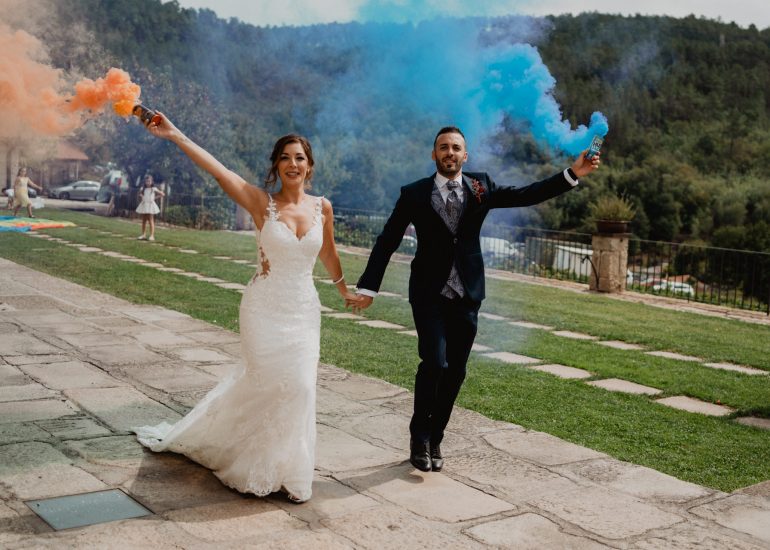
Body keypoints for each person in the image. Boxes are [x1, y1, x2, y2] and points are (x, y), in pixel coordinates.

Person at [133, 113, 358, 503]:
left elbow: (329, 252)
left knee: (301, 388)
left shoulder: (324, 207)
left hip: (304, 311)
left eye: (300, 157)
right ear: (276, 165)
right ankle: (255, 464)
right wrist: (174, 134)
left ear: (310, 166)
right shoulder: (261, 202)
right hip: (263, 308)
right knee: (266, 384)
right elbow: (219, 171)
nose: (293, 164)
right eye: (286, 157)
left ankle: (288, 469)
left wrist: (344, 291)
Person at [351, 126, 601, 473]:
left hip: (467, 294)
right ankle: (419, 436)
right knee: (435, 362)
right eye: (443, 147)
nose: (449, 153)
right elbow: (387, 239)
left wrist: (573, 173)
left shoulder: (481, 187)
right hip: (428, 294)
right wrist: (368, 287)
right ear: (434, 154)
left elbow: (527, 194)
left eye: (456, 148)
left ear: (465, 156)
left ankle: (436, 437)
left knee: (456, 371)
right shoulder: (414, 194)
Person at [136, 175, 165, 241]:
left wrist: (154, 198)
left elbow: (162, 194)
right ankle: (143, 235)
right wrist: (141, 196)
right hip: (144, 204)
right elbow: (140, 194)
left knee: (150, 220)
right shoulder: (143, 188)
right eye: (146, 181)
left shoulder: (153, 188)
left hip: (151, 205)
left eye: (149, 181)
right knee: (143, 220)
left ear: (152, 182)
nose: (148, 182)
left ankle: (152, 236)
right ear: (145, 182)